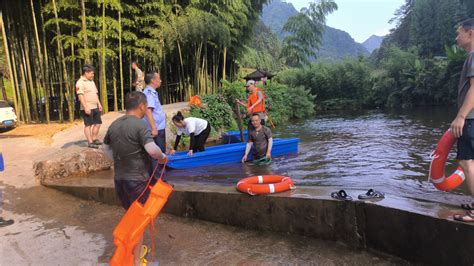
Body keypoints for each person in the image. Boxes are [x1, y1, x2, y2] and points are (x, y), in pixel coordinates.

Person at [102, 91, 167, 265]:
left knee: (132, 218)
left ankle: (136, 252)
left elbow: (105, 149)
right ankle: (136, 261)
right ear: (142, 106)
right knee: (138, 223)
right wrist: (162, 157)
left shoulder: (114, 125)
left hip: (120, 181)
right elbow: (152, 150)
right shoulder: (140, 125)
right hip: (138, 181)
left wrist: (117, 161)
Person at [452, 18, 474, 223]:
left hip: (470, 119)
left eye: (459, 33)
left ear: (471, 33)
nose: (457, 37)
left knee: (466, 162)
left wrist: (461, 116)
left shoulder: (473, 56)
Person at [76, 64, 103, 149]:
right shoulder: (80, 83)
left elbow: (95, 93)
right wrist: (85, 107)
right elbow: (80, 96)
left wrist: (99, 103)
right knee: (88, 125)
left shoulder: (91, 81)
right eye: (92, 73)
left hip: (95, 106)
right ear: (86, 73)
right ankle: (90, 142)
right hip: (87, 107)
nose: (93, 75)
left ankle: (94, 139)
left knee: (98, 123)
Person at [143, 72, 167, 153]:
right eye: (159, 79)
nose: (160, 80)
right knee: (158, 154)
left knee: (160, 152)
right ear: (153, 80)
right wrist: (154, 128)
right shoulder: (149, 94)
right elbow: (148, 110)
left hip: (158, 127)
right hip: (156, 129)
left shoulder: (151, 92)